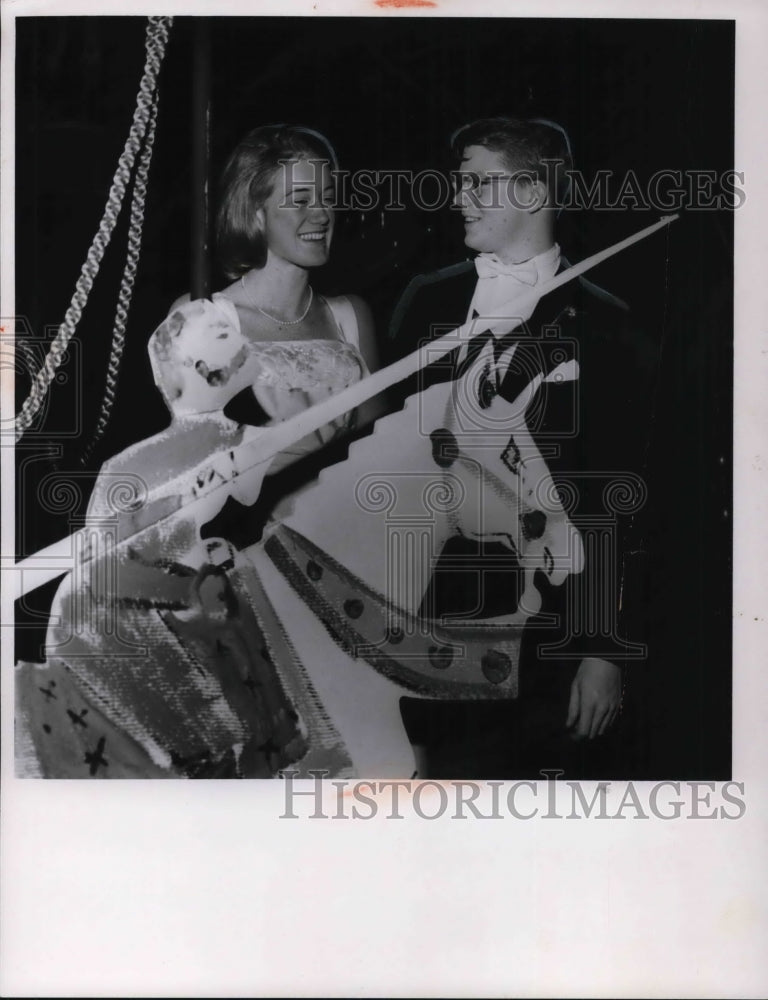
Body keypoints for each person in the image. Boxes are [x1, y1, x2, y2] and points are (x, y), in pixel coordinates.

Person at [15, 125, 380, 778]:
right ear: (255, 210)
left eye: (327, 195)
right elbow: (162, 478)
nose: (320, 212)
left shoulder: (352, 316)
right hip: (236, 585)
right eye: (298, 199)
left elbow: (378, 461)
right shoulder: (203, 319)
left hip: (348, 572)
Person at [389, 117, 658, 778]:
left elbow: (617, 499)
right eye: (460, 182)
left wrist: (604, 651)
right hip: (434, 631)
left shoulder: (608, 326)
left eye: (479, 182)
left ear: (535, 194)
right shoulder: (428, 299)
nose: (460, 198)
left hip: (553, 647)